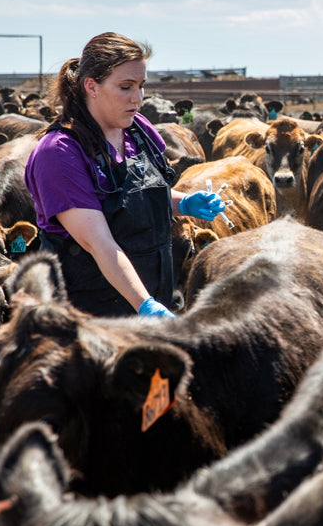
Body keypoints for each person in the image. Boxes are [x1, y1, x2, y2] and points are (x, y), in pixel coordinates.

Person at [25, 32, 224, 318]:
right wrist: (145, 304)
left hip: (148, 302)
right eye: (125, 87)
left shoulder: (138, 130)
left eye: (141, 86)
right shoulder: (60, 153)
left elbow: (136, 196)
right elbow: (97, 241)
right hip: (87, 318)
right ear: (91, 86)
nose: (138, 98)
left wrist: (183, 202)